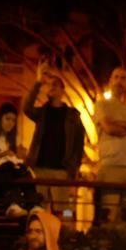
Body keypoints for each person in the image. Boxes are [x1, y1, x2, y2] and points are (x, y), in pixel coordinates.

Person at [22, 63, 86, 220]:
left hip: (61, 171)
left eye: (56, 85)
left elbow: (79, 143)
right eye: (49, 85)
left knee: (62, 212)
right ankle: (40, 239)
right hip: (40, 168)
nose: (51, 87)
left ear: (63, 91)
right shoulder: (42, 112)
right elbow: (26, 107)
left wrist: (74, 167)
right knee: (39, 210)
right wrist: (38, 82)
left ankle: (60, 239)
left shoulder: (72, 115)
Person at [94, 67, 126, 225]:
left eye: (123, 78)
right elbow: (109, 128)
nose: (119, 81)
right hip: (111, 166)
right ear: (110, 81)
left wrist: (121, 124)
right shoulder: (102, 105)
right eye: (116, 77)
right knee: (108, 216)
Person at [0, 103, 37, 216]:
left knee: (22, 169)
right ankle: (12, 203)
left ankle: (33, 204)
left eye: (13, 120)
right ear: (0, 118)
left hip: (11, 176)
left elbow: (18, 159)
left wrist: (21, 157)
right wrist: (3, 155)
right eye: (7, 118)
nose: (10, 123)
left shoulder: (15, 139)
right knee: (7, 166)